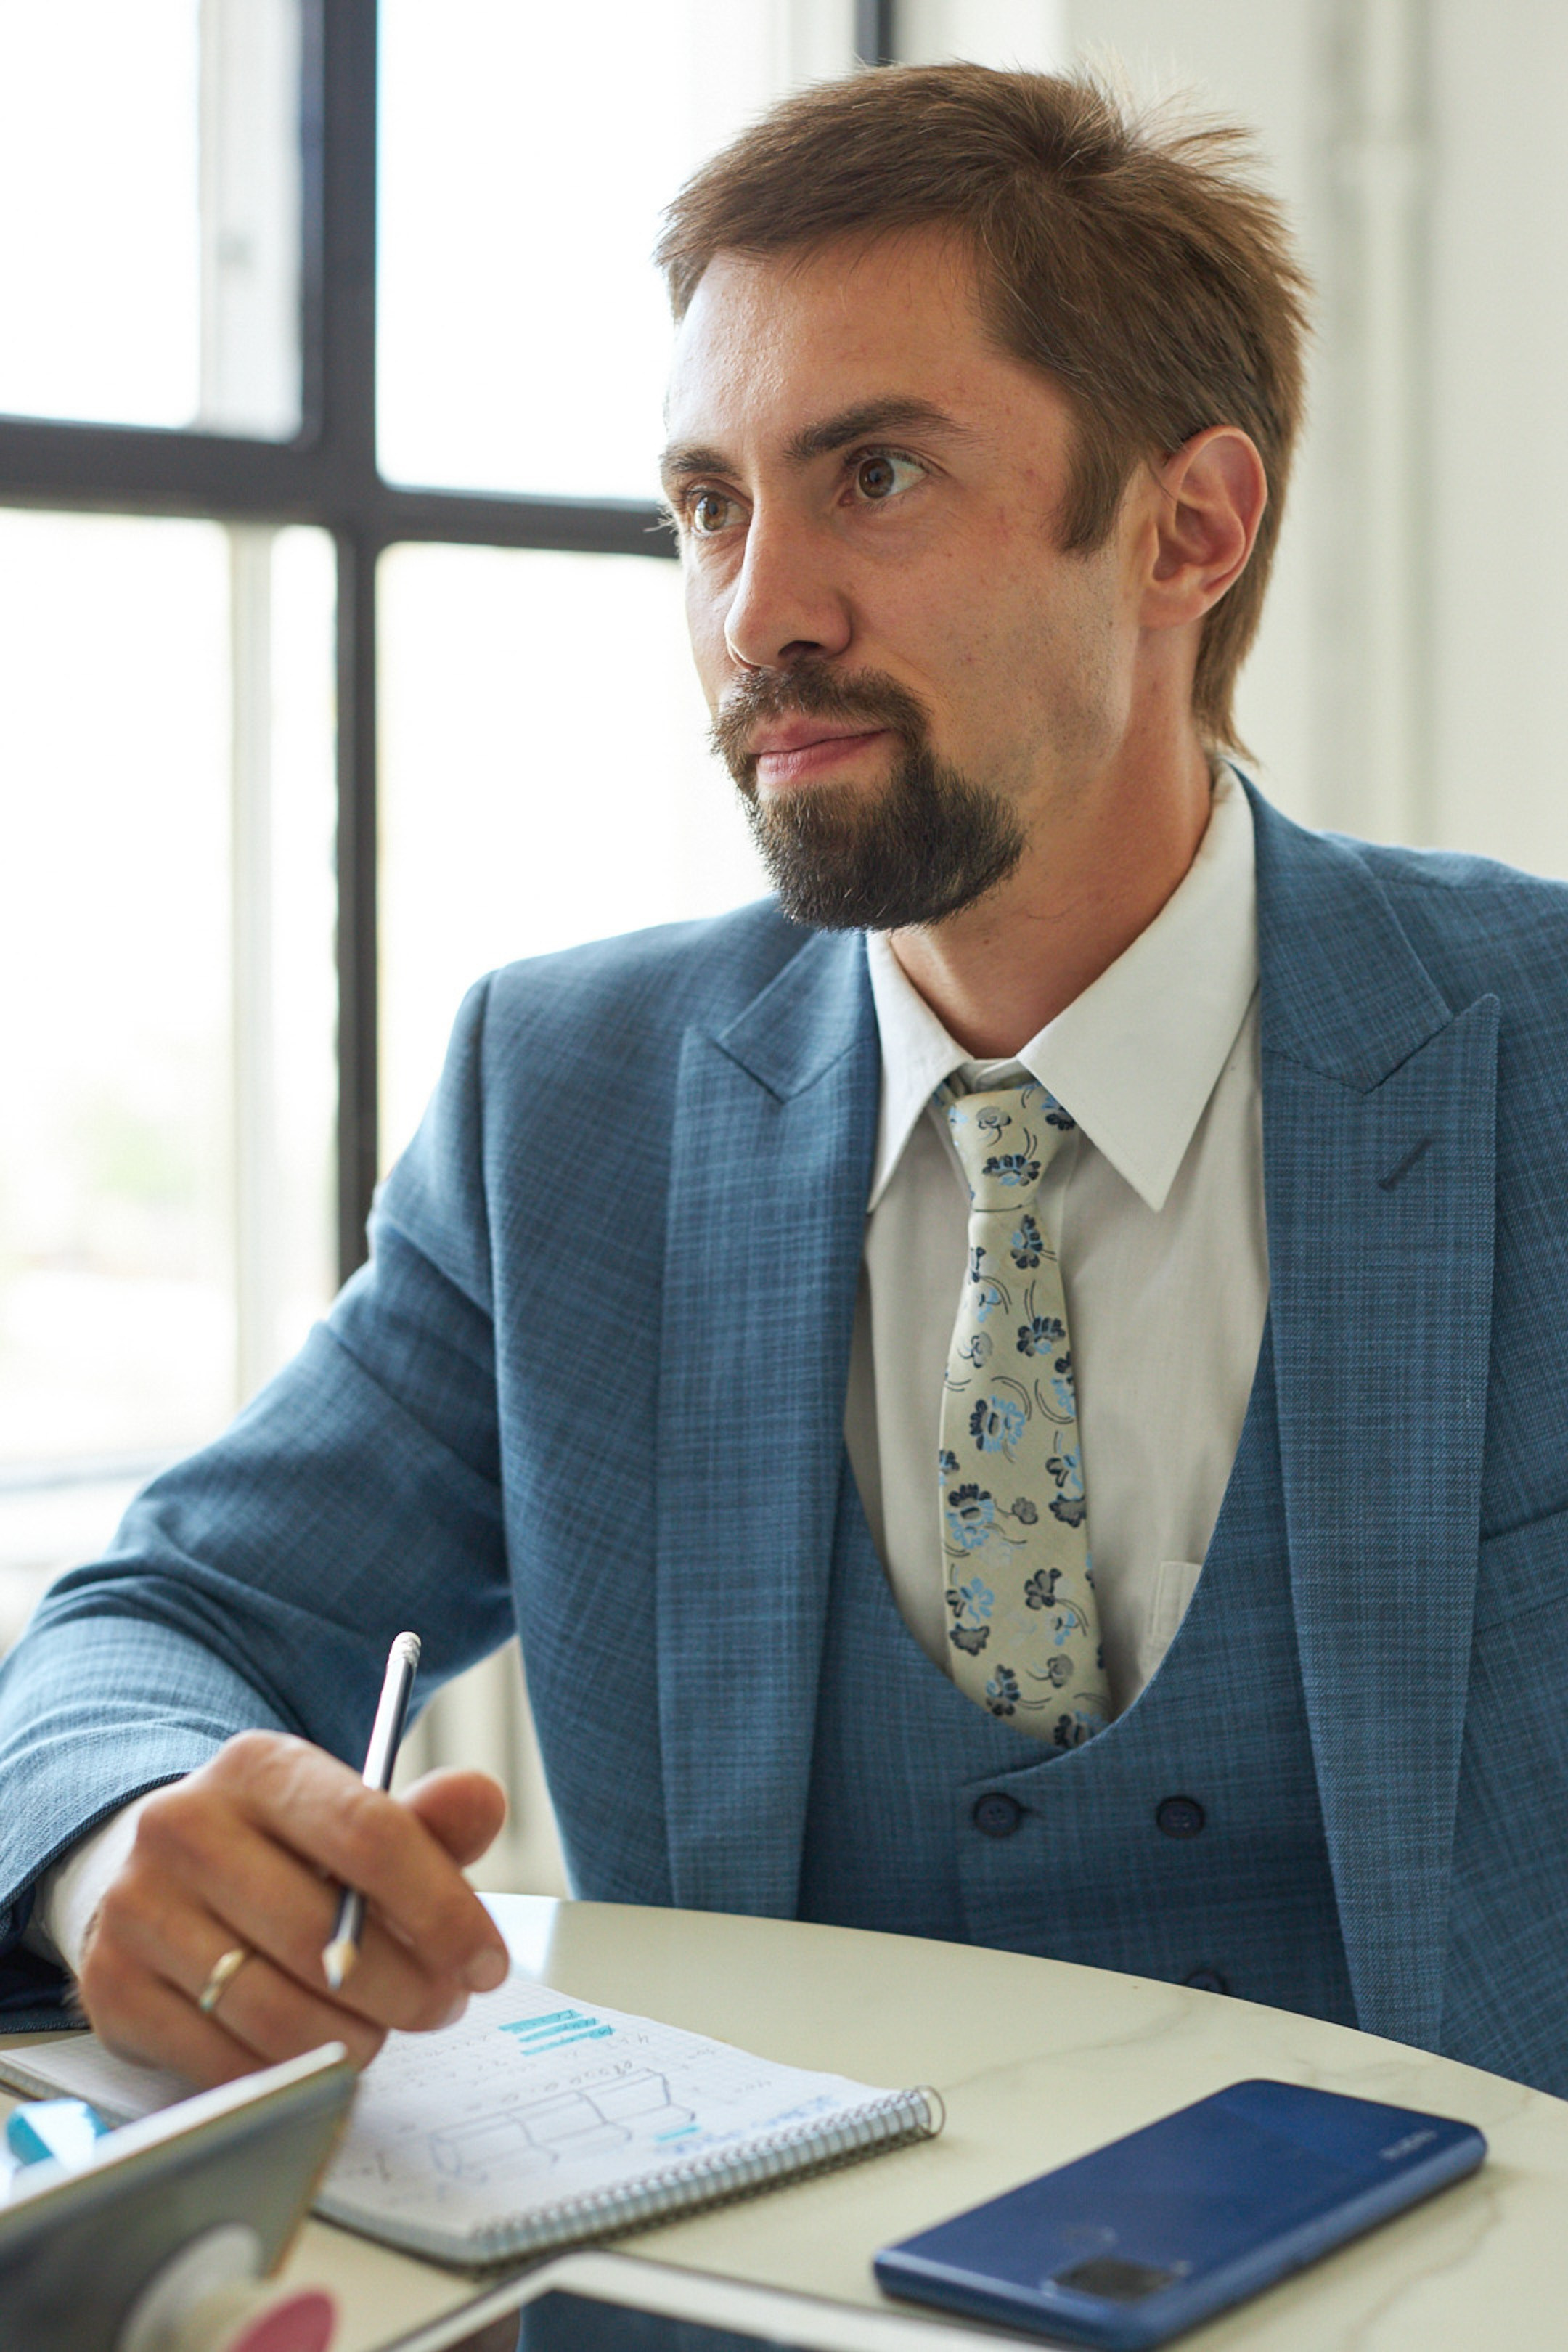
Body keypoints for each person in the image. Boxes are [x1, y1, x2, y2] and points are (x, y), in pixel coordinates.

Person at [3, 62, 1567, 2101]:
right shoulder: (563, 1103)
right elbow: (153, 1619)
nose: (760, 615)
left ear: (1187, 529)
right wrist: (133, 1835)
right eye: (708, 504)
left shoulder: (1531, 1051)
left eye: (878, 479)